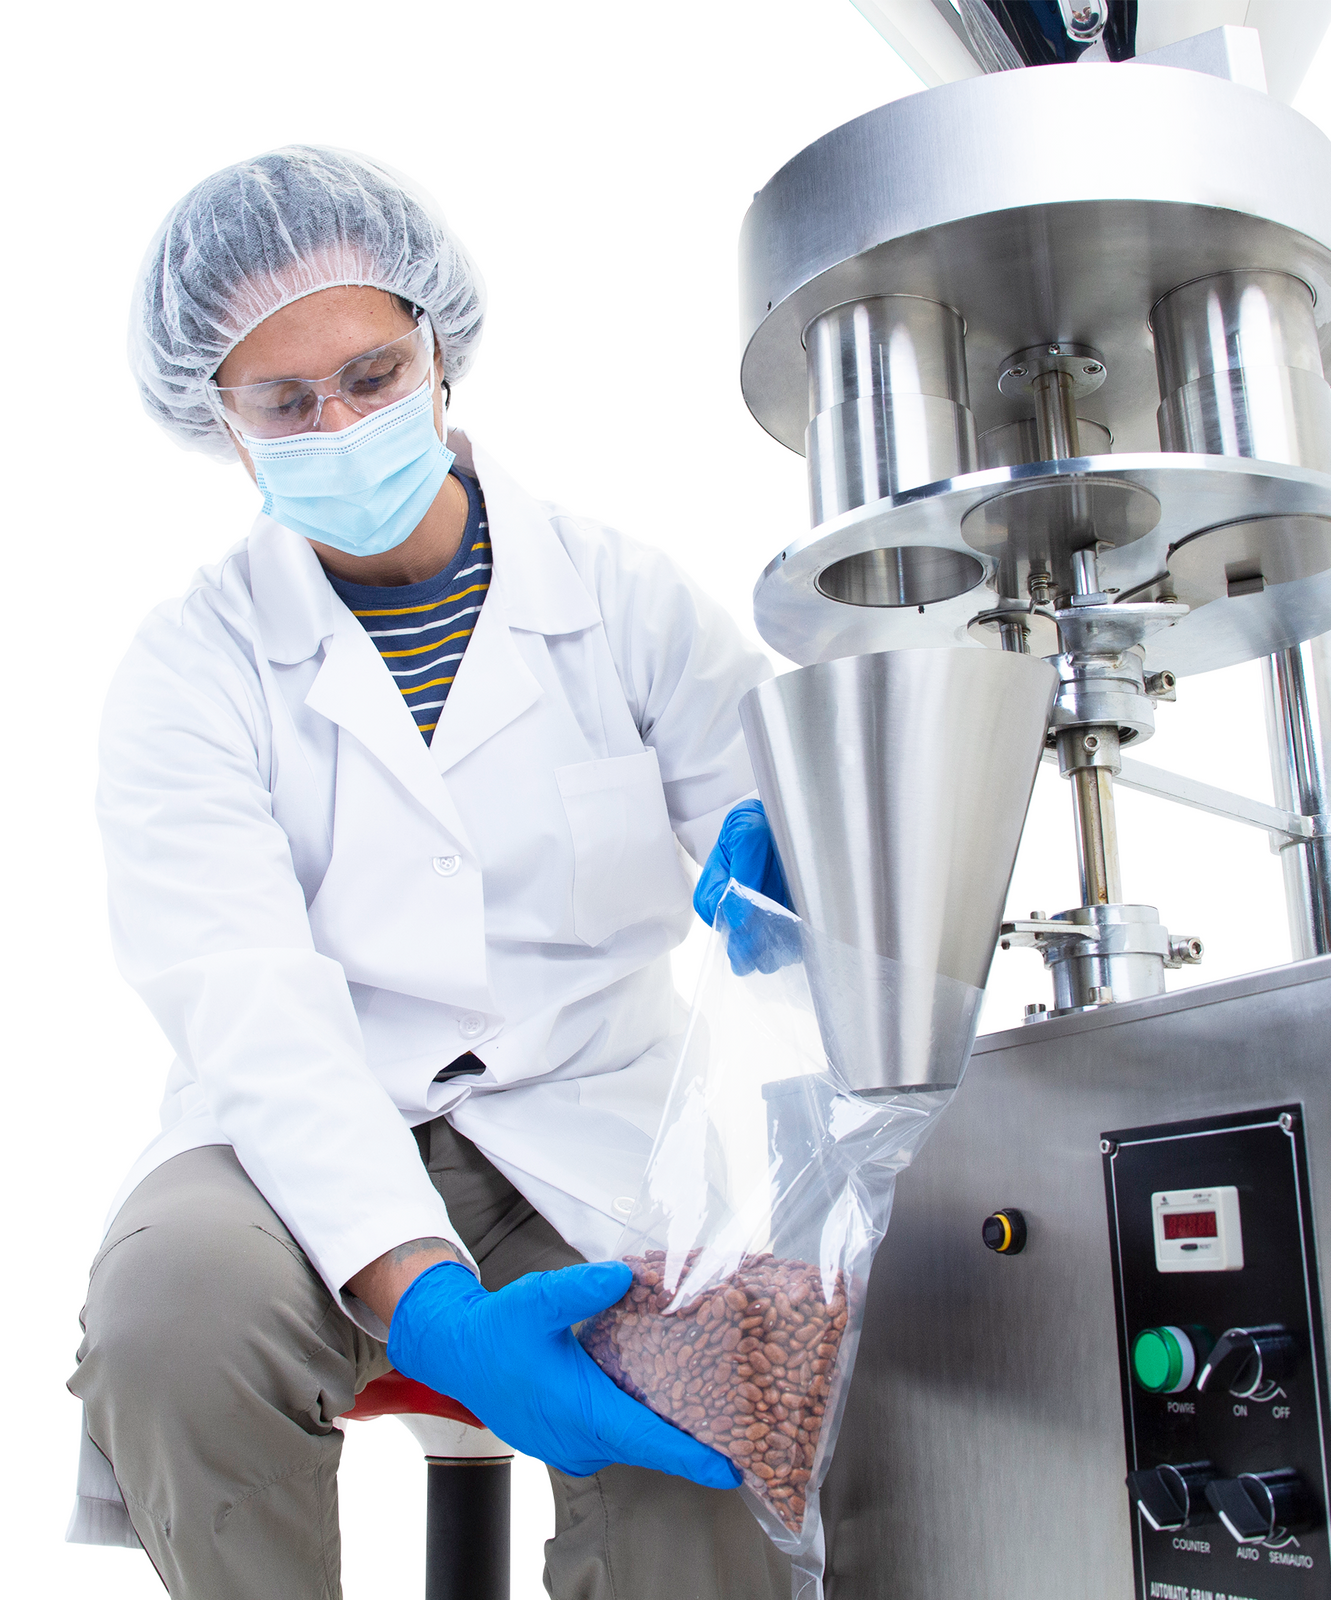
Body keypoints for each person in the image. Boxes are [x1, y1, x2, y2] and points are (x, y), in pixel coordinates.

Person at [66, 144, 796, 1600]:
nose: (337, 423)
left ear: (441, 356)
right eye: (285, 400)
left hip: (598, 1120)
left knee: (715, 1426)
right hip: (297, 1132)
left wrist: (801, 873)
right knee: (170, 1323)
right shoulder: (189, 670)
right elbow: (255, 1011)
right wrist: (433, 1307)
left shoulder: (625, 600)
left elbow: (782, 835)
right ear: (222, 422)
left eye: (371, 373)